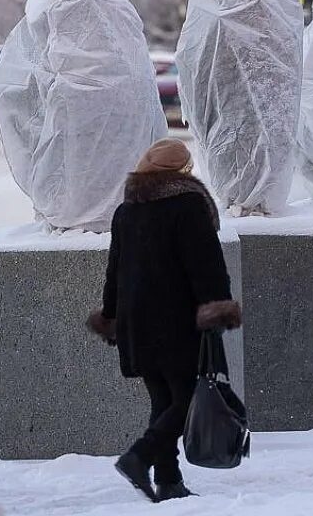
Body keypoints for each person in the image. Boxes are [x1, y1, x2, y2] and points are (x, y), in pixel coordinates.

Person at [87, 138, 241, 503]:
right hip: (178, 323)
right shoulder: (188, 206)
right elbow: (206, 264)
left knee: (163, 400)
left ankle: (168, 480)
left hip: (136, 324)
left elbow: (115, 272)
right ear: (182, 172)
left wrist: (111, 317)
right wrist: (217, 307)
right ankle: (139, 456)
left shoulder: (127, 210)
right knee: (187, 398)